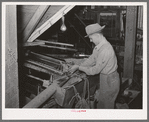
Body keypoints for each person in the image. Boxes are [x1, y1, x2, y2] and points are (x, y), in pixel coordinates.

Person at [69, 23, 120, 109]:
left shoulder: (106, 50)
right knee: (101, 103)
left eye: (91, 38)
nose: (90, 41)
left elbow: (95, 70)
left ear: (97, 35)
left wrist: (79, 68)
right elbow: (92, 59)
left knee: (107, 107)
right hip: (104, 78)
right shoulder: (98, 47)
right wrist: (79, 64)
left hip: (110, 80)